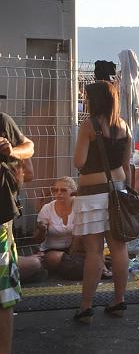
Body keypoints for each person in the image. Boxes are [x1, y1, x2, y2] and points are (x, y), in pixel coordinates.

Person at [72, 81, 132, 324]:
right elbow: (127, 165)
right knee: (119, 248)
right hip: (118, 190)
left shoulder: (88, 125)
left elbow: (78, 161)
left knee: (94, 252)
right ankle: (119, 300)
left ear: (95, 100)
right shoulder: (124, 126)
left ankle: (86, 306)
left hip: (92, 193)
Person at [0, 111, 33, 352]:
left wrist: (11, 151)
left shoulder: (2, 120)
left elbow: (28, 147)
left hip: (1, 219)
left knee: (3, 295)